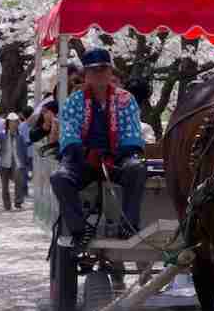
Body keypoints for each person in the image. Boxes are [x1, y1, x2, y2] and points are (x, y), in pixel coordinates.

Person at [50, 48, 146, 247]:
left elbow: (132, 132)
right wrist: (85, 153)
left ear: (111, 72)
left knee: (136, 168)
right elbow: (69, 131)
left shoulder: (126, 99)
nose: (99, 74)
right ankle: (79, 229)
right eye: (93, 71)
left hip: (117, 159)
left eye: (104, 69)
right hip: (83, 160)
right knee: (60, 178)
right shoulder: (74, 101)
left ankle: (128, 223)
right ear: (86, 75)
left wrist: (116, 153)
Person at [0, 112, 30, 211]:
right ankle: (7, 204)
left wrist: (26, 162)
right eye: (11, 122)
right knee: (4, 185)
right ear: (7, 123)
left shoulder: (20, 136)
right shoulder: (2, 135)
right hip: (4, 162)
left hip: (17, 161)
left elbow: (24, 149)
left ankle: (18, 202)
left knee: (19, 182)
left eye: (15, 122)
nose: (13, 124)